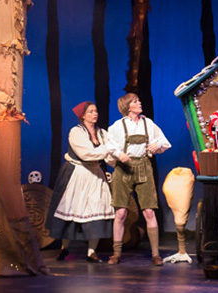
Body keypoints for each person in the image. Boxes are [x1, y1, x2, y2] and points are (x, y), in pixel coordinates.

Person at [106, 93, 170, 265]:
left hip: (144, 167)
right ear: (127, 107)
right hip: (123, 169)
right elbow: (109, 145)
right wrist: (119, 154)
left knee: (149, 211)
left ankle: (156, 254)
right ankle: (116, 253)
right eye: (135, 101)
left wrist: (156, 146)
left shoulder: (148, 123)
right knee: (120, 213)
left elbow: (164, 142)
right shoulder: (118, 126)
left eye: (138, 99)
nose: (139, 102)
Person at [46, 101, 115, 263]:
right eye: (90, 112)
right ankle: (64, 247)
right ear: (82, 116)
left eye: (96, 111)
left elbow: (110, 156)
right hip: (77, 174)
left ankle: (91, 252)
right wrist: (108, 150)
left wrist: (120, 160)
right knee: (72, 209)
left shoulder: (102, 134)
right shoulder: (76, 132)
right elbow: (86, 154)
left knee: (98, 207)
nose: (95, 114)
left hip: (95, 175)